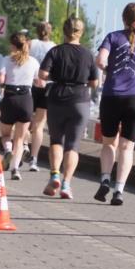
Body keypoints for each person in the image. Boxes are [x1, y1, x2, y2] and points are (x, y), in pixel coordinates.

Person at [94, 3, 135, 205]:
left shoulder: (112, 37)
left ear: (124, 18)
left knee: (108, 143)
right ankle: (119, 190)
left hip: (112, 96)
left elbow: (100, 61)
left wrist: (110, 69)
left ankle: (105, 179)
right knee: (127, 147)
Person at [38, 16, 99, 199]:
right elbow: (94, 82)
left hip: (57, 97)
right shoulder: (88, 54)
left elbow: (42, 74)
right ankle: (66, 184)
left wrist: (55, 77)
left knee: (56, 141)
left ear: (64, 31)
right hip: (80, 100)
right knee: (72, 145)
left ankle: (54, 174)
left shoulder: (55, 51)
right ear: (81, 32)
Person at [0, 32, 39, 181]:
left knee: (5, 135)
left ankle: (7, 149)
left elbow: (1, 79)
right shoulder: (33, 62)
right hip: (26, 100)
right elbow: (38, 82)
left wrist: (2, 81)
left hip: (10, 98)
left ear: (13, 45)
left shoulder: (5, 60)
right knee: (20, 139)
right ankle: (15, 169)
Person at [27, 21, 56, 172]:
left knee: (25, 121)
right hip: (47, 85)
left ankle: (23, 146)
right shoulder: (54, 47)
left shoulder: (30, 43)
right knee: (39, 124)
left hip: (31, 84)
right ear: (50, 32)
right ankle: (34, 158)